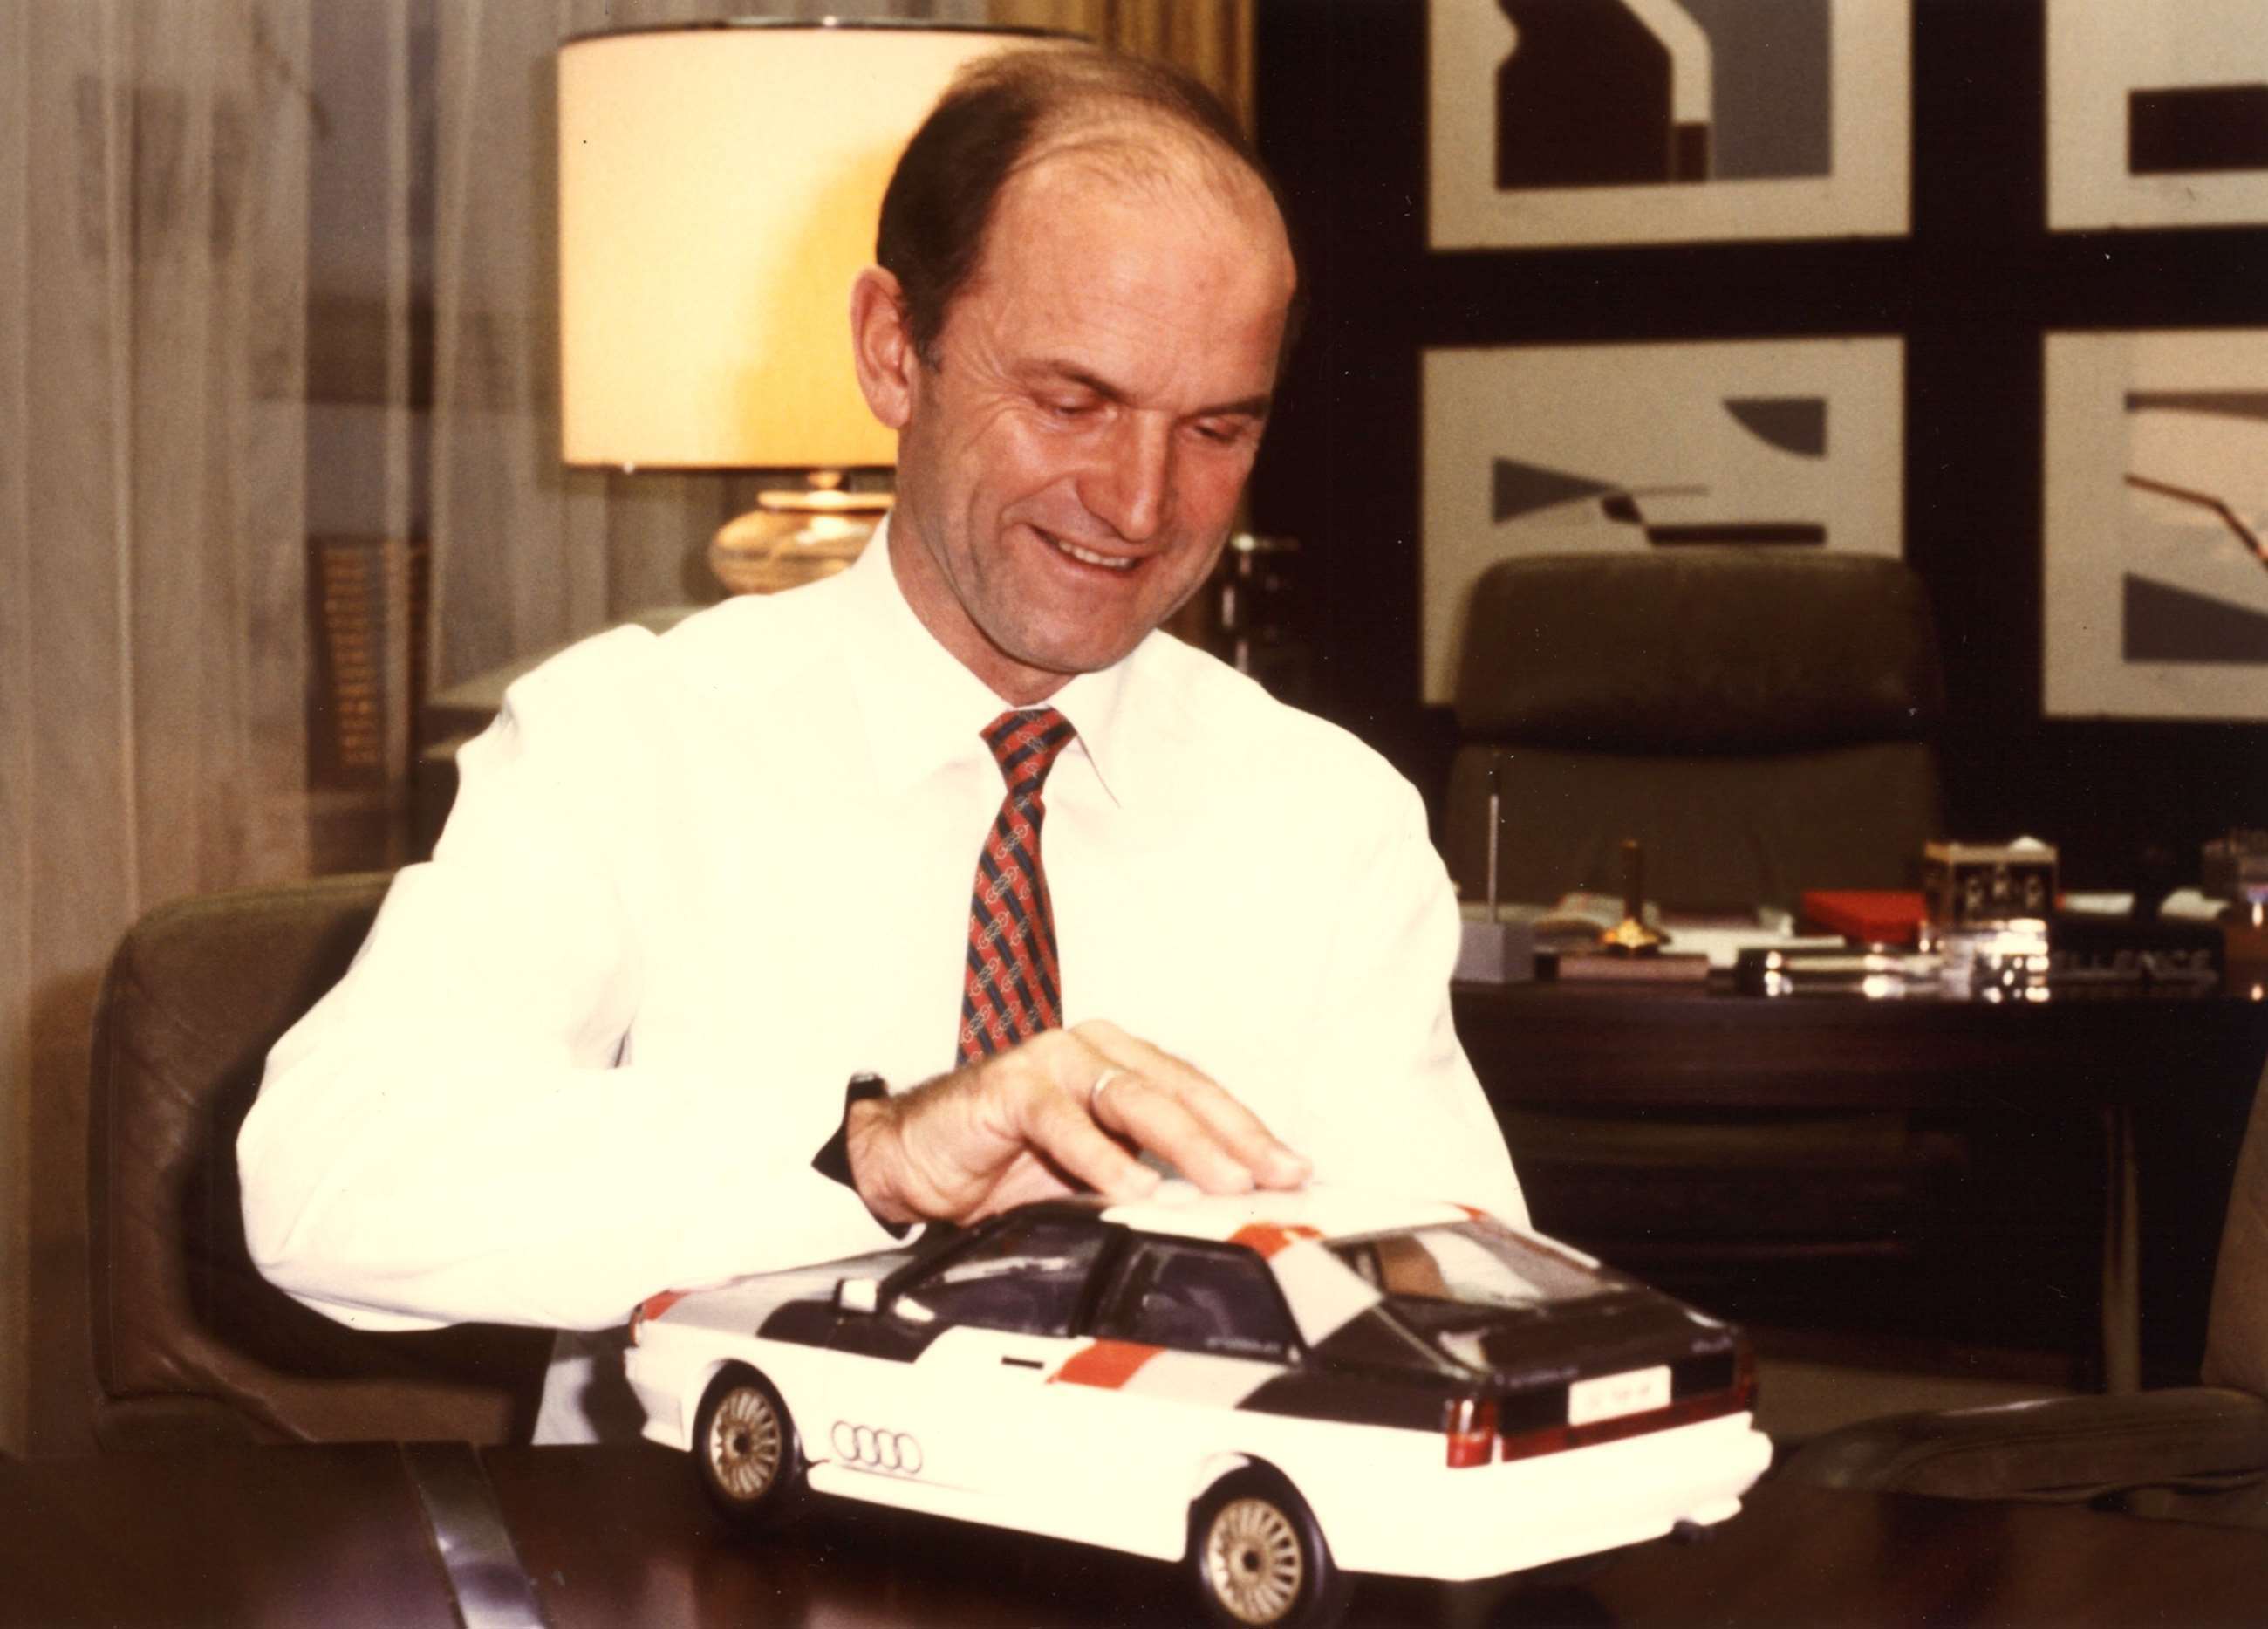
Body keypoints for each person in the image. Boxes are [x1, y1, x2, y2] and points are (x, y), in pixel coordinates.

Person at [238, 44, 1522, 1443]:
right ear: (893, 350)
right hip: (700, 1533)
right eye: (1072, 403)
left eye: (1214, 428)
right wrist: (868, 1155)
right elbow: (320, 1184)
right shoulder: (626, 742)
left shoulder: (1330, 819)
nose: (1141, 504)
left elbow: (1458, 1309)